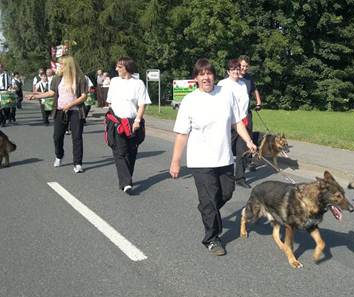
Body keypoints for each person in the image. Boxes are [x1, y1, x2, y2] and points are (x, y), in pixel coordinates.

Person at [169, 58, 256, 256]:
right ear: (196, 79)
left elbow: (237, 122)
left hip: (224, 157)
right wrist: (175, 161)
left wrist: (249, 141)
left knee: (226, 192)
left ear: (214, 75)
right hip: (200, 161)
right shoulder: (190, 101)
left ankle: (208, 208)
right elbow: (182, 134)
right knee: (209, 201)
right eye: (201, 74)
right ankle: (211, 238)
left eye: (208, 73)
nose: (206, 77)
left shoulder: (225, 94)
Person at [26, 55, 88, 173]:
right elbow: (51, 92)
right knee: (57, 136)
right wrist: (35, 96)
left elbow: (84, 96)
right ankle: (59, 155)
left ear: (68, 65)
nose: (59, 66)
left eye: (61, 64)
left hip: (75, 111)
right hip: (60, 110)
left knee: (77, 138)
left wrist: (70, 105)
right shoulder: (57, 78)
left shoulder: (80, 78)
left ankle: (78, 163)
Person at [105, 57, 151, 194]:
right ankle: (126, 183)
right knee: (120, 152)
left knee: (131, 152)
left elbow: (142, 104)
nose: (116, 69)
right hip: (117, 121)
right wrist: (111, 118)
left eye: (119, 67)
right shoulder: (114, 82)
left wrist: (137, 120)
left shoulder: (138, 84)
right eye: (116, 67)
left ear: (127, 68)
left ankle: (126, 177)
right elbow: (110, 101)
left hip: (132, 121)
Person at [218, 59, 252, 188]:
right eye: (233, 70)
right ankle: (223, 175)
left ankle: (240, 178)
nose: (236, 71)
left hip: (242, 123)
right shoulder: (223, 84)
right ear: (228, 71)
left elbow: (243, 104)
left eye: (237, 69)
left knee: (242, 151)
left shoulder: (243, 84)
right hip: (228, 123)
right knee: (226, 150)